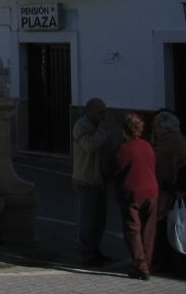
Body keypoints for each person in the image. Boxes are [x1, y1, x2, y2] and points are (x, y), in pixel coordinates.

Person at [113, 112, 159, 280]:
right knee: (149, 229)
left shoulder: (124, 149)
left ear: (125, 130)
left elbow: (114, 169)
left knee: (133, 228)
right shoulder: (148, 146)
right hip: (152, 191)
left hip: (132, 192)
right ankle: (146, 261)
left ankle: (140, 265)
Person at [72, 97, 113, 266]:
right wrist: (102, 131)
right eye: (100, 112)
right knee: (88, 219)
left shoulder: (99, 127)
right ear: (90, 110)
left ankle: (96, 249)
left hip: (100, 179)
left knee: (99, 219)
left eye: (105, 112)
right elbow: (89, 145)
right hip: (85, 179)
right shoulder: (81, 126)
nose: (103, 115)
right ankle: (86, 252)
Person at [152, 110, 186, 272]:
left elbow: (162, 172)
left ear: (165, 128)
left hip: (169, 193)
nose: (155, 130)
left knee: (169, 228)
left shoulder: (167, 145)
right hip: (174, 191)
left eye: (157, 126)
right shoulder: (177, 141)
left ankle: (169, 263)